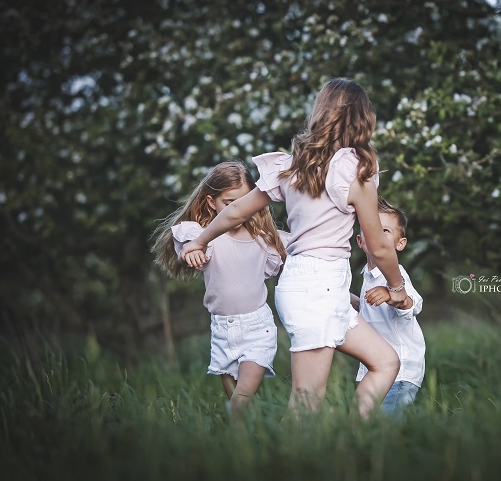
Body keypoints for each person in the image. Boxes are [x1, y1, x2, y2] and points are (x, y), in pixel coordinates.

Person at [179, 78, 404, 418]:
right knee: (307, 402)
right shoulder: (355, 170)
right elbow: (380, 247)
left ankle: (358, 436)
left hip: (316, 287)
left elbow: (237, 211)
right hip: (317, 289)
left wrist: (200, 239)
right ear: (363, 118)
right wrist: (397, 287)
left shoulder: (294, 165)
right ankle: (287, 452)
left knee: (386, 361)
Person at [152, 160, 288, 417]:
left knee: (241, 399)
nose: (238, 210)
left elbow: (303, 253)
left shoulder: (264, 241)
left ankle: (248, 432)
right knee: (238, 407)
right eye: (229, 203)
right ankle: (247, 437)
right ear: (211, 202)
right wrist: (190, 252)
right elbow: (188, 245)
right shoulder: (204, 237)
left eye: (244, 203)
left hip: (258, 329)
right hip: (222, 331)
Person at [352, 197, 425, 415]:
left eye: (384, 231)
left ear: (400, 243)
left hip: (399, 371)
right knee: (367, 422)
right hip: (375, 368)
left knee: (385, 424)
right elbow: (368, 309)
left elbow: (413, 304)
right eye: (371, 229)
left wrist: (393, 295)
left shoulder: (396, 274)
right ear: (360, 240)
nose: (376, 236)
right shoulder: (367, 275)